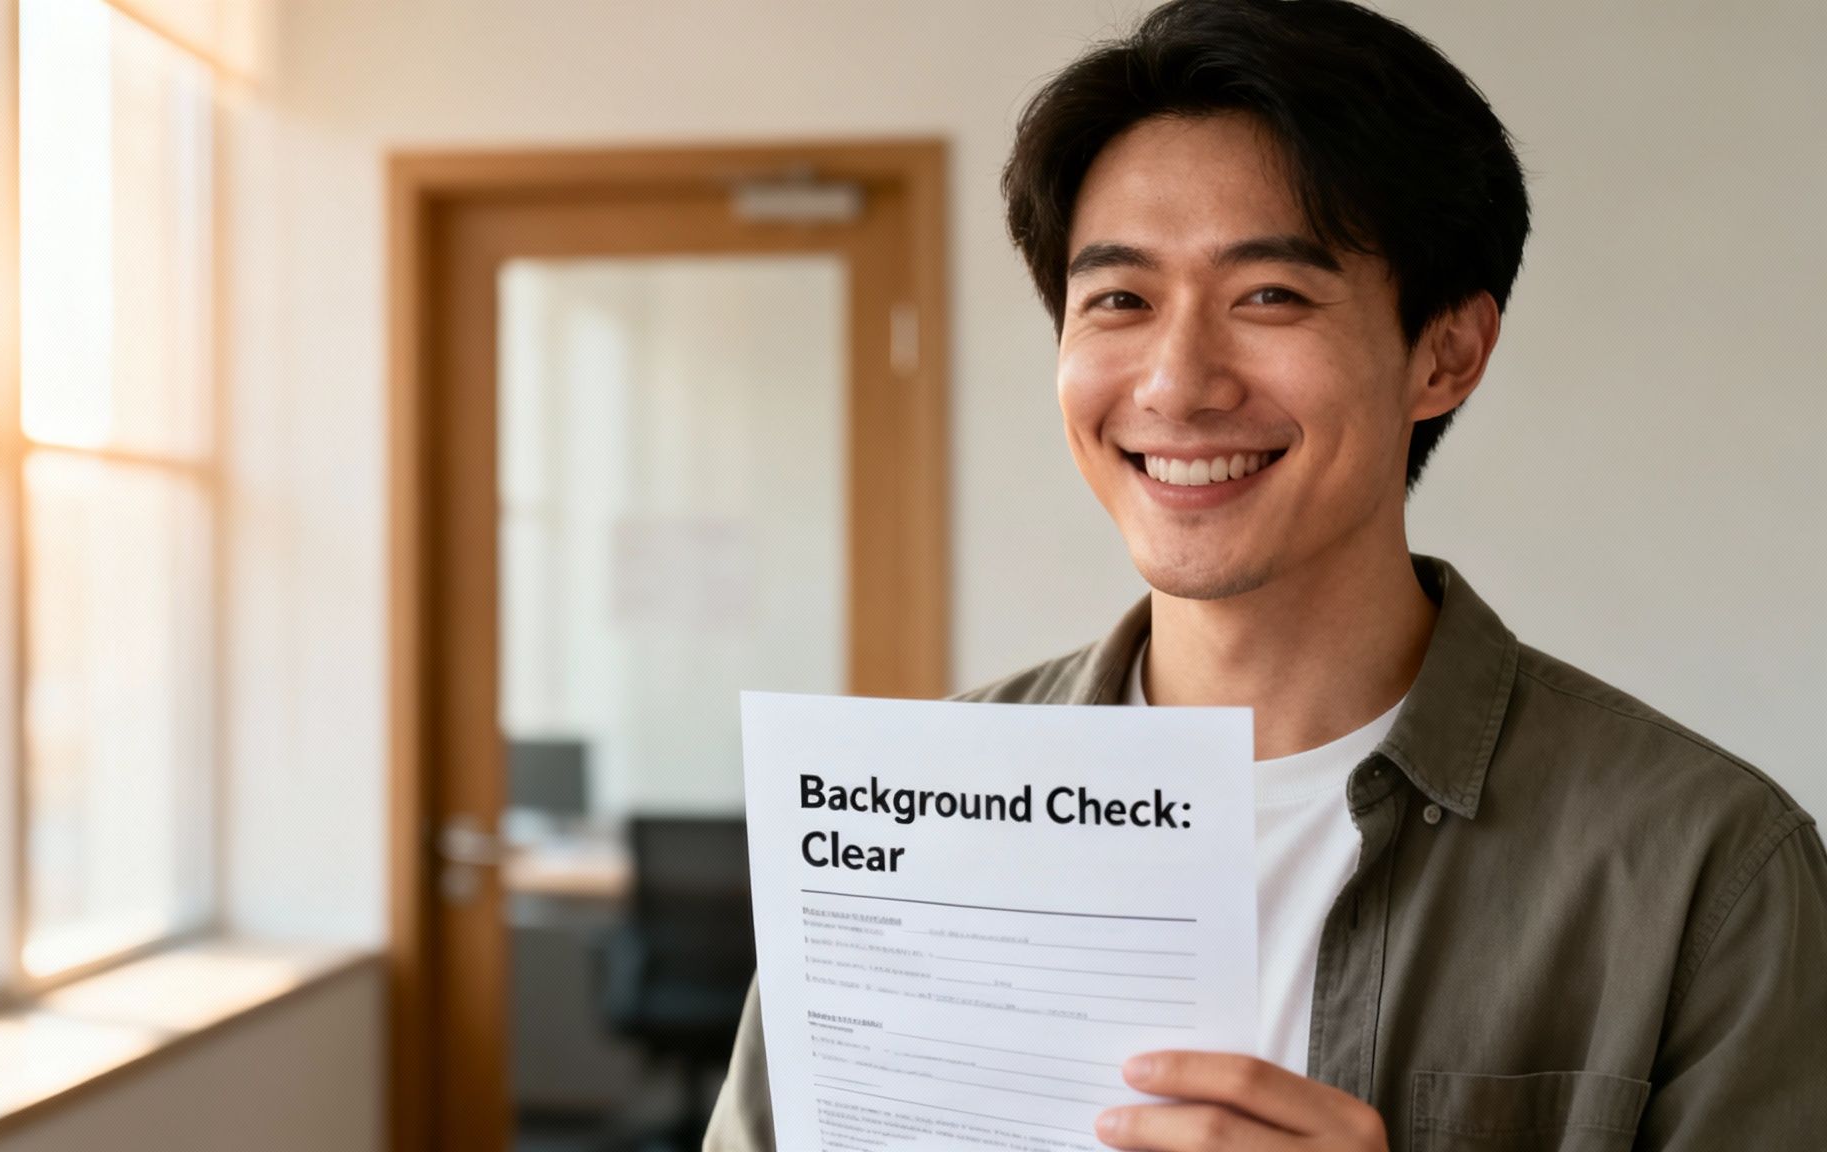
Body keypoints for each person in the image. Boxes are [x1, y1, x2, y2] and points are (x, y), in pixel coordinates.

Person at [703, 0, 1827, 1148]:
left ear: (1444, 353)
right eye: (1119, 300)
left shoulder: (1704, 872)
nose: (1177, 383)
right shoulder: (894, 827)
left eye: (1269, 296)